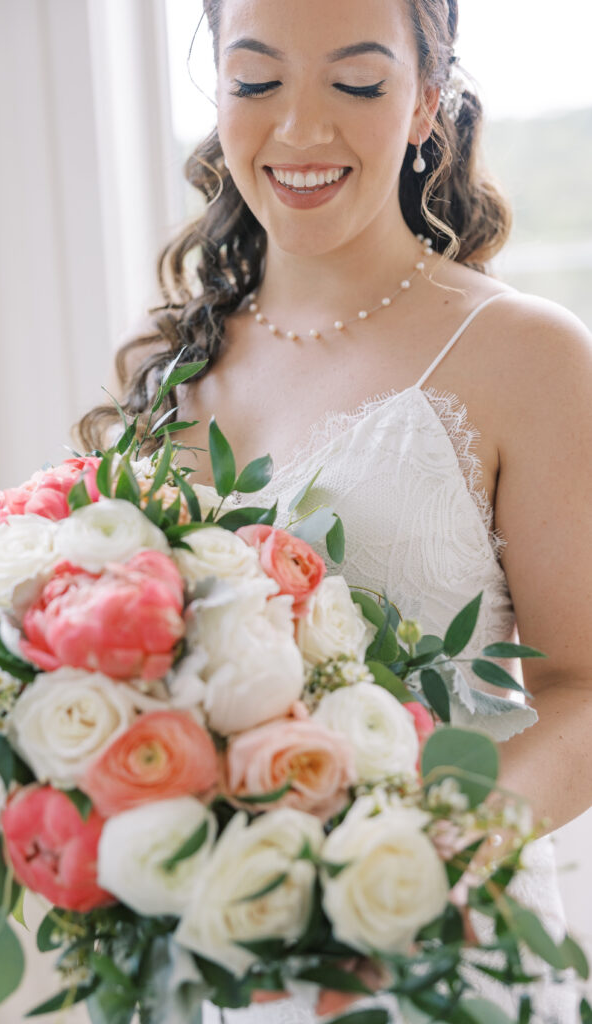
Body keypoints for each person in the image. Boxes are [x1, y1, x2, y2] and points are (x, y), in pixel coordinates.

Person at [79, 0, 592, 1020]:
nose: (301, 130)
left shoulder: (526, 355)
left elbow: (585, 683)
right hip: (203, 960)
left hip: (425, 947)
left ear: (423, 104)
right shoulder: (169, 354)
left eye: (355, 83)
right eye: (257, 81)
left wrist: (408, 865)